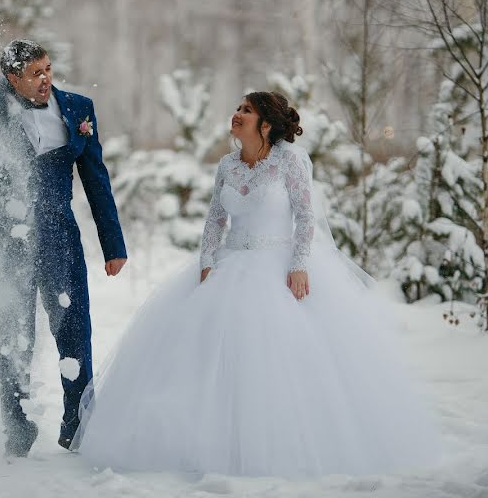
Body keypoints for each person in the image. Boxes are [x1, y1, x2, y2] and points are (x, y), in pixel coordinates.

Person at [70, 91, 440, 477]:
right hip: (230, 264)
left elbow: (305, 216)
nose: (237, 114)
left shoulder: (289, 163)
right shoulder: (227, 165)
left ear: (266, 124)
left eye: (246, 111)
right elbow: (215, 219)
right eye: (238, 108)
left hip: (277, 266)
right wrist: (207, 261)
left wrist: (299, 265)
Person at [0, 39, 127, 458]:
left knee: (75, 330)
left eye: (48, 69)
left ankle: (77, 424)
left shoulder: (78, 108)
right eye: (35, 74)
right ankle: (17, 429)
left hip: (60, 236)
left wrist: (112, 244)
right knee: (14, 335)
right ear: (12, 79)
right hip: (6, 240)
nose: (45, 79)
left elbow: (96, 178)